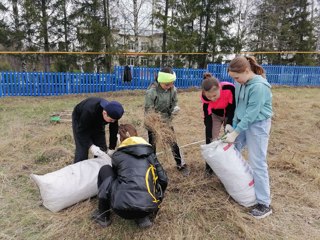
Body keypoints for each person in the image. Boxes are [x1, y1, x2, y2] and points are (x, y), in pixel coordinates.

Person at [222, 56, 273, 219]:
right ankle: (239, 184)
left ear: (246, 71)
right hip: (243, 121)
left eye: (236, 77)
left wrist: (236, 132)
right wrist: (233, 126)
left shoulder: (259, 86)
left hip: (258, 124)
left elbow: (252, 113)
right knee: (233, 150)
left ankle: (264, 203)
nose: (235, 80)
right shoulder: (240, 82)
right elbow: (240, 106)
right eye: (232, 78)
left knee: (257, 162)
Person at [91, 124, 168, 228]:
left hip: (121, 209)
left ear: (120, 139)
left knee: (105, 169)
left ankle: (103, 215)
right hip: (148, 208)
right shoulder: (150, 154)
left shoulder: (117, 155)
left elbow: (118, 179)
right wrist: (155, 200)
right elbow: (163, 180)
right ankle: (142, 218)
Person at [144, 66, 190, 176]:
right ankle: (152, 166)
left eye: (171, 83)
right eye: (167, 84)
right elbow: (149, 110)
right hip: (153, 121)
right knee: (153, 144)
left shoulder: (172, 89)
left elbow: (174, 102)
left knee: (173, 141)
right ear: (160, 81)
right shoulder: (151, 92)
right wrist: (155, 122)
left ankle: (180, 164)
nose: (169, 86)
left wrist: (174, 108)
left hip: (167, 119)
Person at [201, 72, 235, 176]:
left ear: (219, 87)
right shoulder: (205, 96)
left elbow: (233, 107)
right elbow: (207, 114)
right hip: (215, 115)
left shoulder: (229, 88)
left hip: (228, 113)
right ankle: (209, 167)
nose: (212, 99)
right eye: (209, 97)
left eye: (214, 95)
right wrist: (209, 130)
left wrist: (229, 123)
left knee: (229, 138)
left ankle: (229, 164)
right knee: (211, 139)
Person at [72, 97, 124, 163]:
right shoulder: (88, 111)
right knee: (82, 150)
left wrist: (112, 148)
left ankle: (99, 167)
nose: (113, 122)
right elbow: (81, 132)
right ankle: (78, 170)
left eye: (114, 120)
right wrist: (91, 146)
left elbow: (113, 130)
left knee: (101, 149)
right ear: (105, 113)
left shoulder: (113, 113)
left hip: (98, 121)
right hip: (81, 119)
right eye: (111, 120)